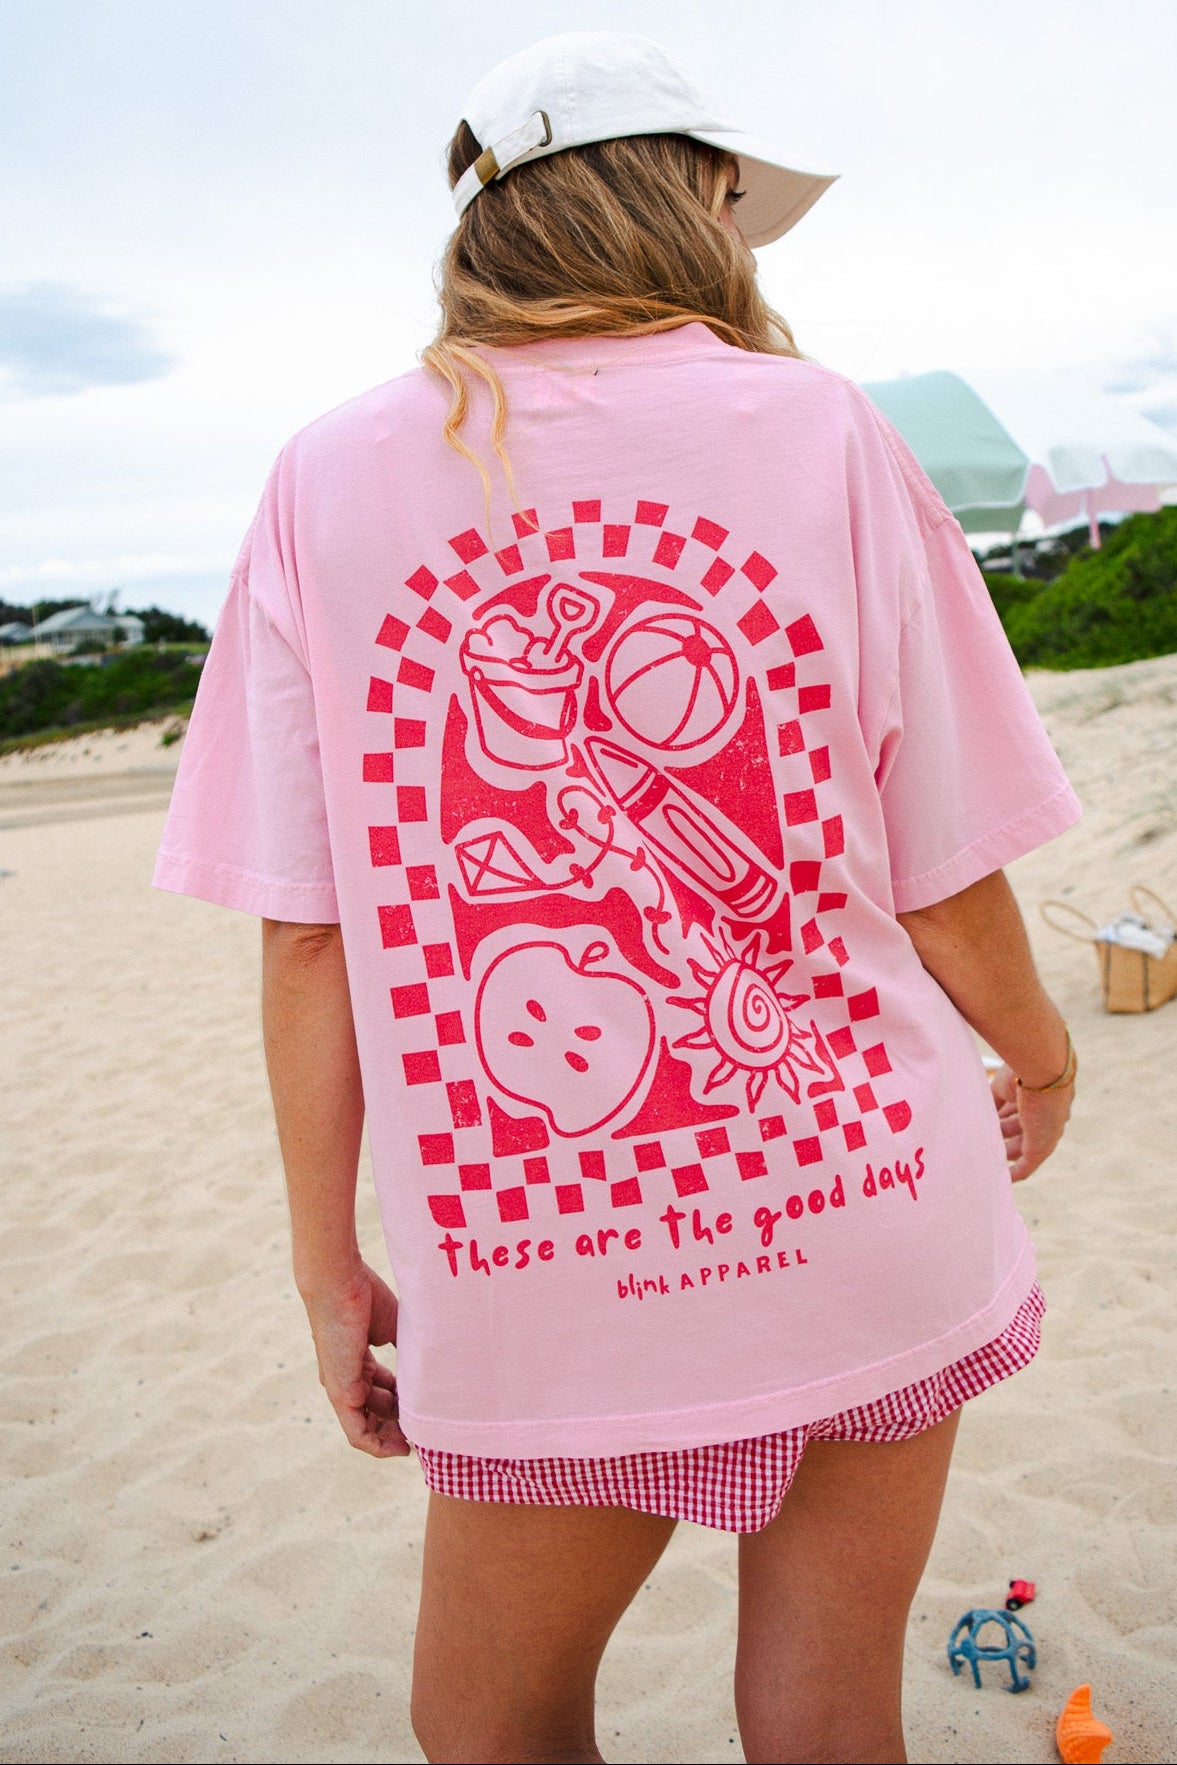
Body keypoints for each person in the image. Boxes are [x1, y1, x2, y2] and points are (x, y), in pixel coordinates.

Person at [155, 31, 1080, 1765]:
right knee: (824, 1718)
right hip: (866, 1198)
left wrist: (323, 1260)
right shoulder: (825, 431)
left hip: (542, 1267)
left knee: (487, 1726)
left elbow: (308, 930)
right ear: (686, 198)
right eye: (735, 198)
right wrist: (1044, 1058)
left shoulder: (322, 478)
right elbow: (947, 871)